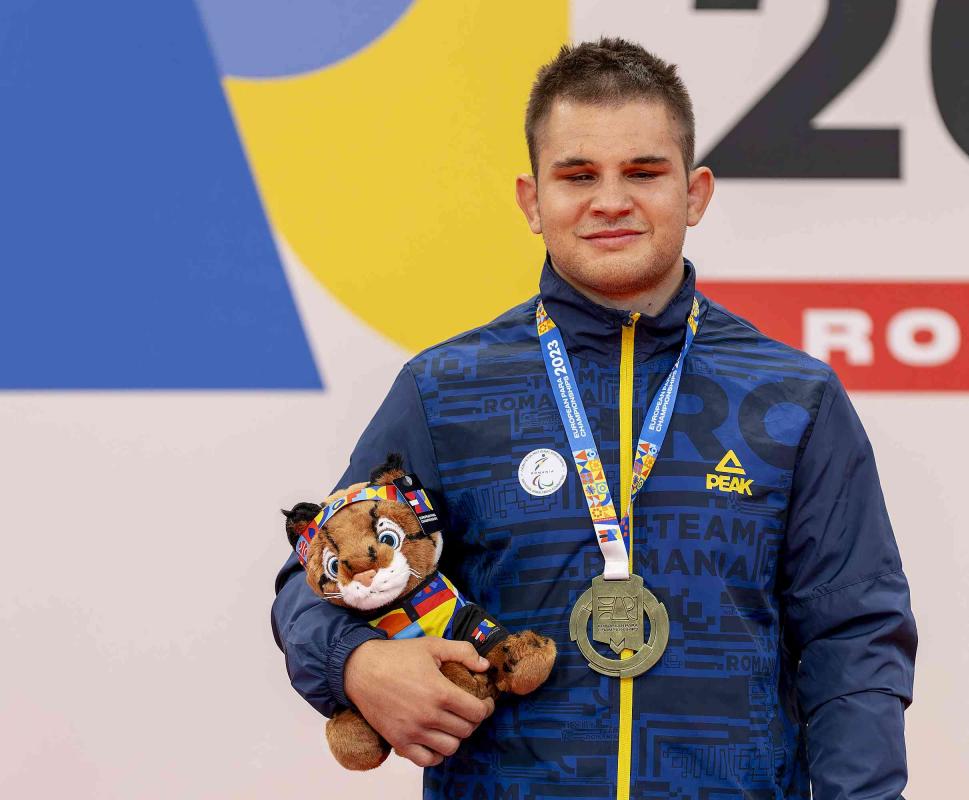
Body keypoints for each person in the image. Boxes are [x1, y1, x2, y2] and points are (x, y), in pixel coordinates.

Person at [272, 37, 917, 800]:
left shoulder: (790, 397)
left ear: (697, 192)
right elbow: (311, 577)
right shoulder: (445, 390)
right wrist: (354, 662)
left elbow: (854, 638)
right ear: (531, 201)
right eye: (578, 176)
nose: (611, 200)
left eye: (644, 172)